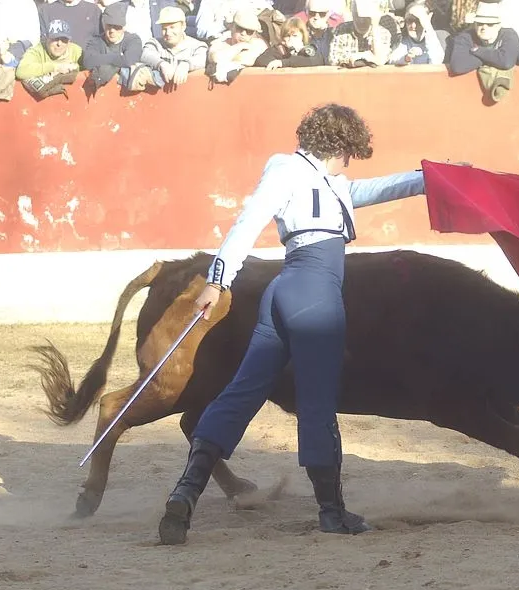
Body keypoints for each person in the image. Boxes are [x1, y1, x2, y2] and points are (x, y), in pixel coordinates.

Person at [158, 103, 428, 546]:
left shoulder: (318, 179)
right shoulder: (287, 170)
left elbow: (376, 188)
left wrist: (429, 177)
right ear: (339, 146)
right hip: (316, 295)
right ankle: (332, 513)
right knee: (317, 400)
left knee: (242, 391)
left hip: (284, 291)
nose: (350, 162)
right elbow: (248, 222)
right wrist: (217, 281)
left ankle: (185, 492)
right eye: (349, 152)